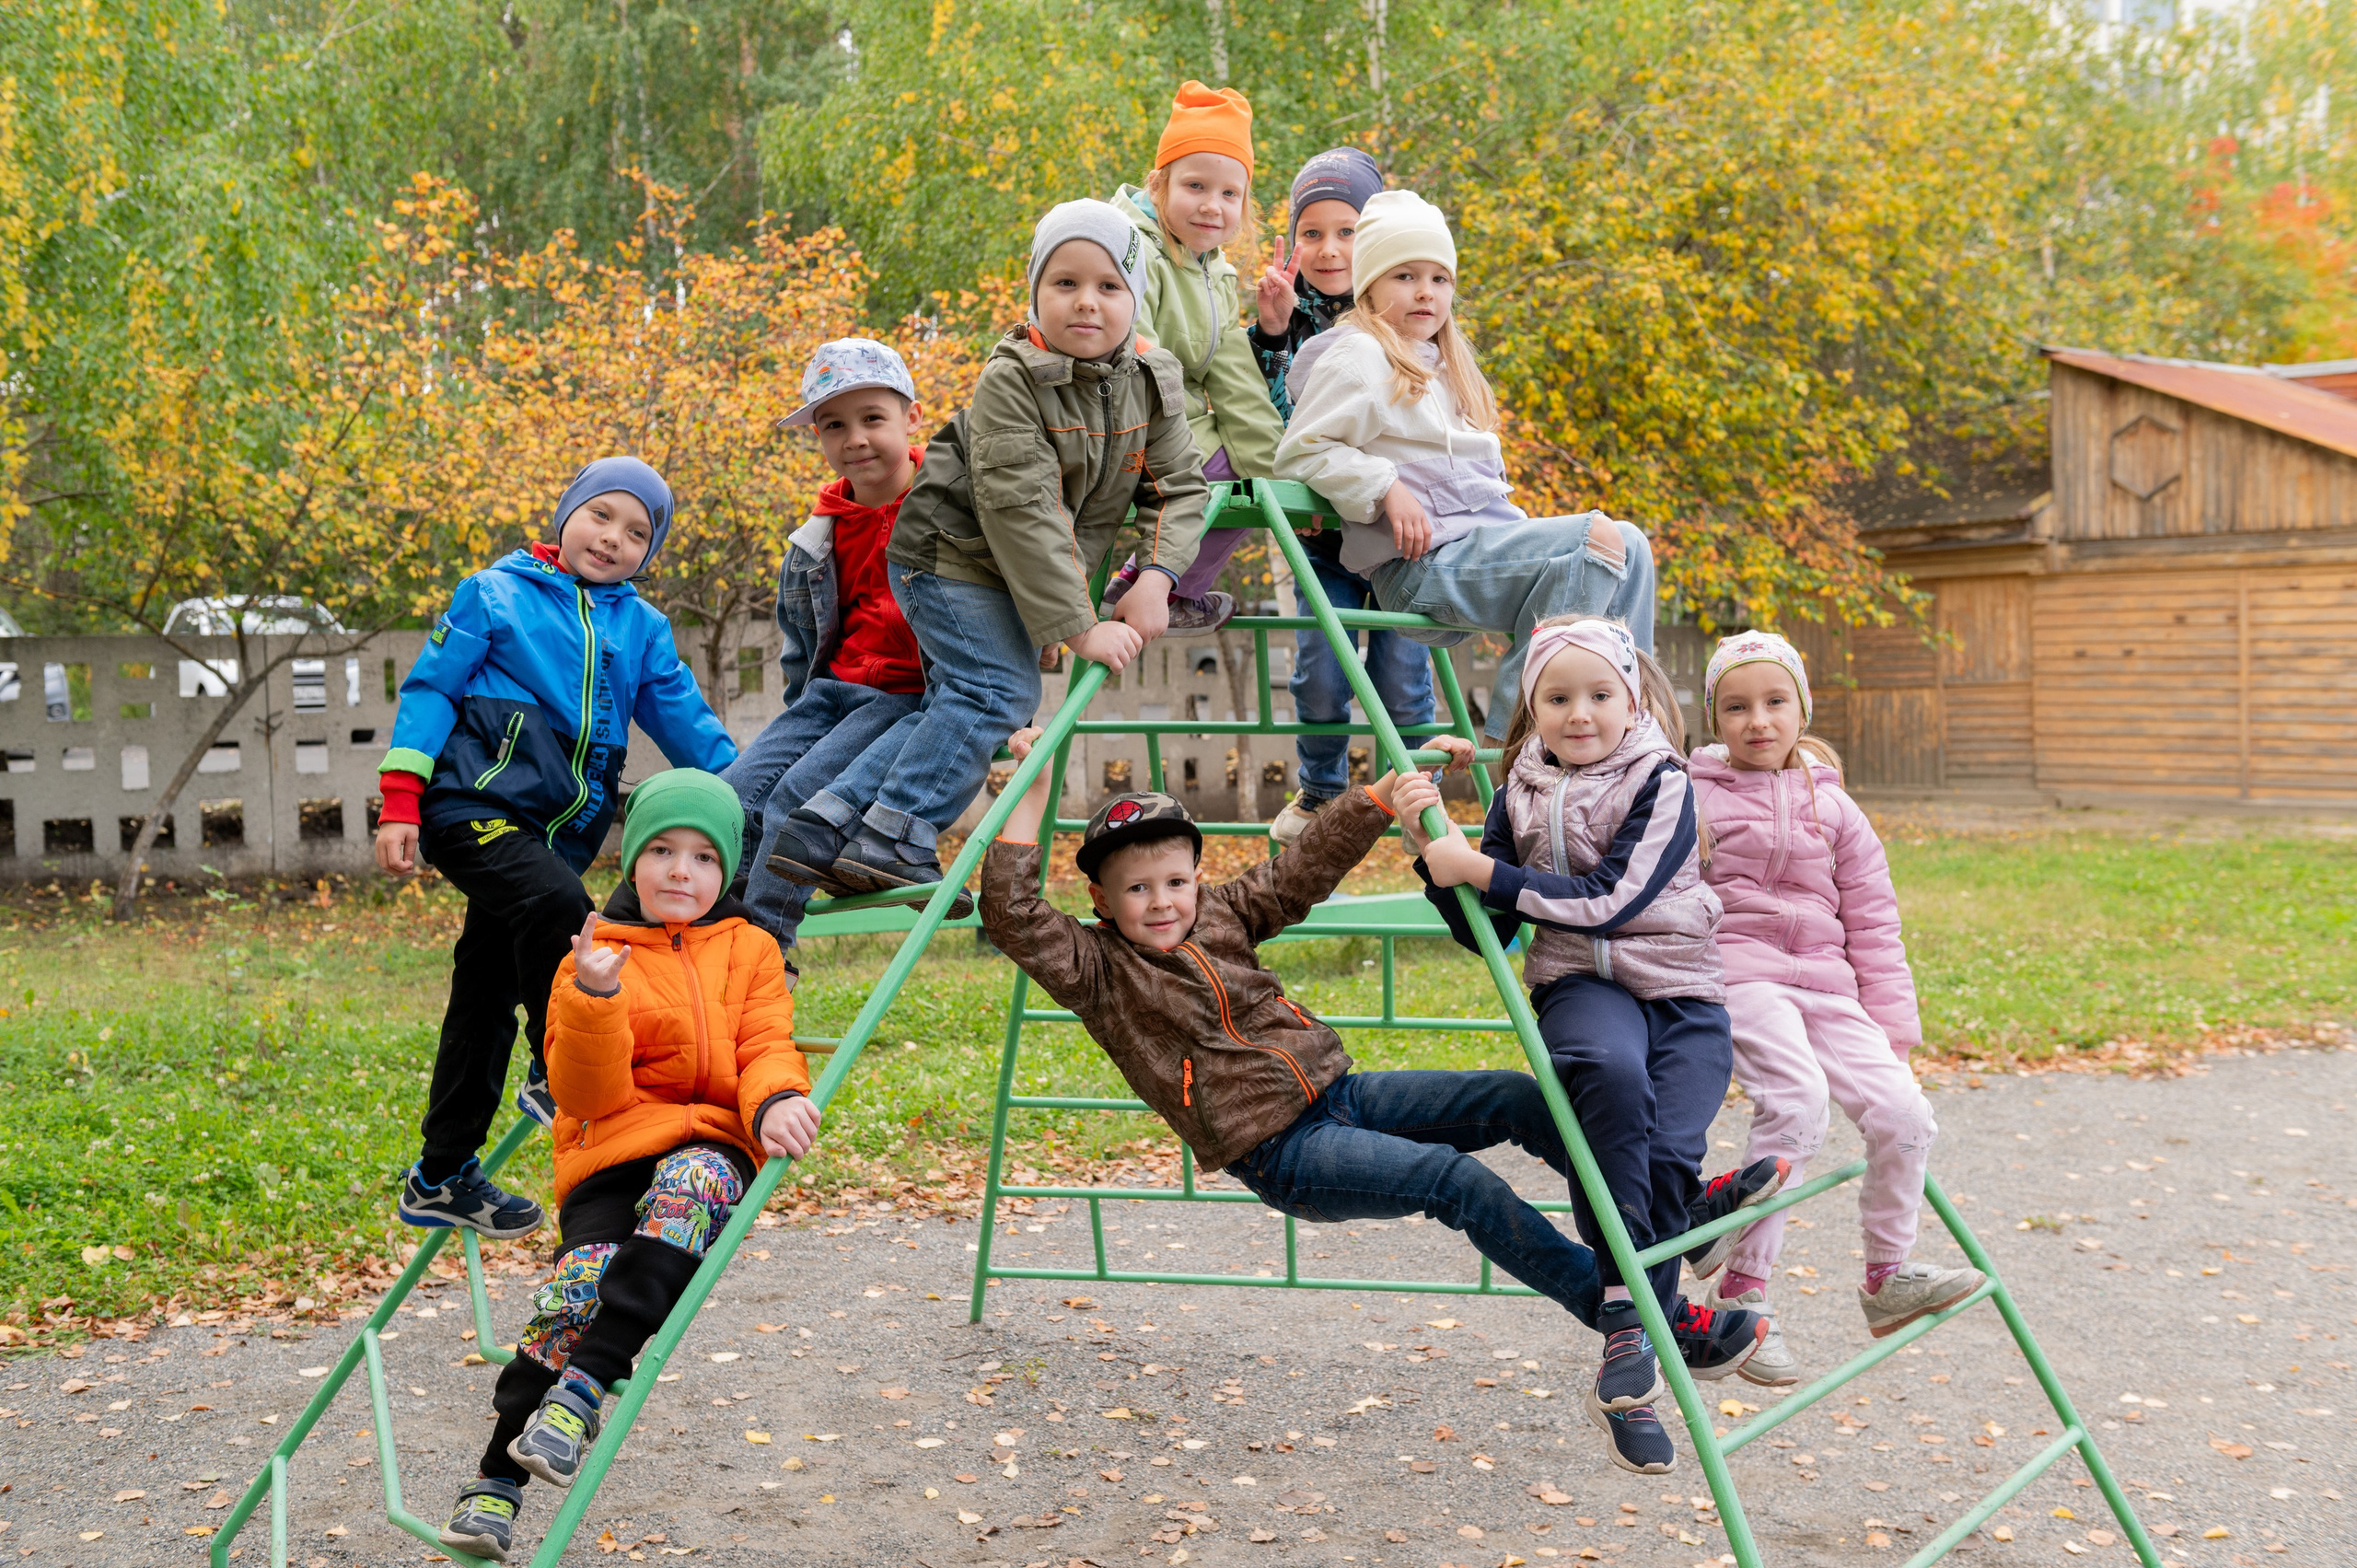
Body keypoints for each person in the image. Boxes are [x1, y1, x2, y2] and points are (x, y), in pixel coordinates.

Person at [981, 725, 1769, 1479]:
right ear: (1100, 896)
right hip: (1282, 1150)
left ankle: (1672, 1213)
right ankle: (1640, 1323)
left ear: (1196, 876)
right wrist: (1033, 789)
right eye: (1137, 889)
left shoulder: (1221, 913)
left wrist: (1380, 799)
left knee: (1519, 1100)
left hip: (1340, 1095)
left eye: (1177, 881)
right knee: (1451, 1182)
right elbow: (1012, 913)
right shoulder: (1096, 968)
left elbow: (1297, 871)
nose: (1162, 903)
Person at [1395, 615, 1784, 1474]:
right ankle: (1632, 1335)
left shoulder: (1666, 780)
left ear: (1632, 696)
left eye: (1600, 694)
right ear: (1532, 708)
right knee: (1607, 1079)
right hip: (1583, 986)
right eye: (1558, 697)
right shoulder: (1519, 791)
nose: (1581, 712)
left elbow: (1616, 901)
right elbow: (1488, 934)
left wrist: (1485, 870)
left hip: (1681, 988)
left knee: (1669, 1144)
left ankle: (1671, 1244)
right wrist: (1434, 854)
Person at [765, 199, 1210, 911]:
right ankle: (894, 832)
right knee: (998, 692)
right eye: (1064, 283)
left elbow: (1181, 486)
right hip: (947, 552)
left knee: (961, 699)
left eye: (1109, 286)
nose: (1086, 303)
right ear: (1035, 292)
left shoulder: (1153, 382)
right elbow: (1022, 507)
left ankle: (833, 823)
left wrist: (1156, 575)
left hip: (1011, 570)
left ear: (1137, 298)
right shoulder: (1013, 377)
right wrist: (1077, 624)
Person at [437, 770, 819, 1563]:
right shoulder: (593, 950)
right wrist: (594, 998)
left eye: (706, 858)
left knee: (694, 1185)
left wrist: (777, 1095)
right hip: (611, 1148)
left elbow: (764, 1042)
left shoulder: (750, 948)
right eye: (664, 851)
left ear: (728, 871)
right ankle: (492, 1480)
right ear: (632, 861)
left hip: (711, 1140)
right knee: (577, 1284)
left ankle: (581, 1393)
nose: (684, 871)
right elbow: (584, 1092)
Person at [375, 458, 737, 1241]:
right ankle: (560, 1062)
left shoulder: (641, 630)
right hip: (470, 804)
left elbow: (683, 717)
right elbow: (431, 689)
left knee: (482, 994)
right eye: (601, 515)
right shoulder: (494, 592)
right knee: (561, 905)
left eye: (638, 532)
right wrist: (401, 799)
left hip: (552, 836)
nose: (613, 538)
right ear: (566, 512)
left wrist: (744, 789)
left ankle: (442, 1172)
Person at [1689, 631, 1981, 1383]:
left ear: (1802, 708)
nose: (1759, 720)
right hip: (1744, 975)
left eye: (1775, 702)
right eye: (1737, 706)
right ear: (1714, 718)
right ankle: (1744, 1287)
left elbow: (1876, 924)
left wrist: (1894, 1036)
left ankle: (1889, 1275)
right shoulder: (1692, 793)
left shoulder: (1837, 807)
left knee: (1905, 1113)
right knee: (1798, 1103)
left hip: (1830, 984)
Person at [1272, 191, 1658, 746]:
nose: (1426, 292)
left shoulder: (1448, 367)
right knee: (1598, 537)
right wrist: (1385, 487)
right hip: (1421, 567)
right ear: (1371, 285)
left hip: (1478, 552)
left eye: (1440, 279)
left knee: (1630, 543)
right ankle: (1519, 738)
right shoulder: (1357, 357)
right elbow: (1301, 452)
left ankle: (1635, 727)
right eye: (1405, 276)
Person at [1240, 148, 1441, 850]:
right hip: (1322, 536)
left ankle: (1422, 798)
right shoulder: (1288, 318)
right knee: (1322, 672)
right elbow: (1277, 422)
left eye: (1348, 231)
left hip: (1393, 537)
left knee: (1403, 676)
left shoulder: (1401, 311)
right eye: (1312, 232)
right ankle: (1320, 789)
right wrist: (1271, 332)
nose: (1329, 249)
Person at [724, 339, 932, 941]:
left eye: (873, 418)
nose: (855, 439)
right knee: (734, 799)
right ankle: (720, 934)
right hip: (830, 692)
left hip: (904, 696)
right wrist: (803, 717)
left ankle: (767, 950)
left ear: (911, 417)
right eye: (833, 425)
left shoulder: (949, 506)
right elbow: (801, 639)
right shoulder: (818, 535)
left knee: (795, 802)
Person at [1096, 80, 1290, 633]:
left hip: (1170, 422)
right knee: (1222, 477)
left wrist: (1275, 472)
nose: (1213, 205)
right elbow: (1136, 351)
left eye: (1230, 194)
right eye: (1196, 185)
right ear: (1159, 183)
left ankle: (1155, 584)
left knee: (1252, 482)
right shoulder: (1131, 254)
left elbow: (1234, 379)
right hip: (1120, 417)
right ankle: (1157, 585)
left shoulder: (1217, 275)